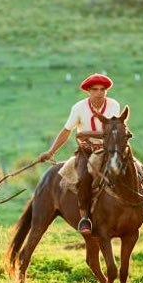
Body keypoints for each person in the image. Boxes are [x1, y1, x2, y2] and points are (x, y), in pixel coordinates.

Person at [38, 73, 120, 234]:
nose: (99, 93)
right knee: (84, 177)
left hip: (110, 149)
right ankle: (85, 218)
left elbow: (113, 130)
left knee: (135, 170)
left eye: (103, 89)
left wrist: (85, 134)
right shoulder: (78, 108)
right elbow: (67, 131)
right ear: (88, 91)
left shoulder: (113, 105)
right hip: (87, 151)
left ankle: (137, 204)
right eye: (95, 89)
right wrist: (51, 151)